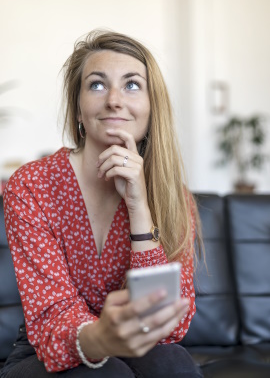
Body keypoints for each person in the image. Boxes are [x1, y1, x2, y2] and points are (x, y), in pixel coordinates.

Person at [2, 30, 203, 377]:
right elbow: (53, 316)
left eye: (132, 85)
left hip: (138, 347)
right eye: (97, 85)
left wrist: (140, 207)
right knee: (107, 373)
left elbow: (170, 325)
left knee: (174, 364)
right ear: (78, 108)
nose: (114, 100)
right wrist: (103, 336)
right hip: (46, 350)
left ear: (151, 107)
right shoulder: (31, 184)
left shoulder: (172, 194)